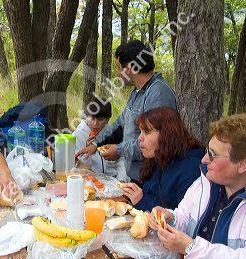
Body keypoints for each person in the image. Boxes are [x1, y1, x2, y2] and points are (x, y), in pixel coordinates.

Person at [149, 114, 246, 259]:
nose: (204, 159)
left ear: (242, 165)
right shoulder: (207, 180)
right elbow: (184, 215)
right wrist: (169, 218)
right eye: (207, 150)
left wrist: (191, 248)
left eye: (213, 154)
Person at [76, 40, 177, 181]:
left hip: (152, 177)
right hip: (136, 175)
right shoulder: (137, 92)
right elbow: (120, 124)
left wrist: (119, 150)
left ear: (129, 68)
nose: (117, 73)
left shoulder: (158, 94)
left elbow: (156, 141)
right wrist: (96, 143)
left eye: (118, 67)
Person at [119, 107, 204, 211]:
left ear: (166, 135)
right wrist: (130, 193)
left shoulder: (190, 169)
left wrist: (141, 201)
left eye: (146, 132)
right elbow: (150, 193)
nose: (140, 138)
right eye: (140, 132)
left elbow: (179, 219)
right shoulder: (158, 156)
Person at [73, 97, 127, 180]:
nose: (95, 123)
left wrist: (121, 180)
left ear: (108, 120)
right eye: (92, 118)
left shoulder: (112, 133)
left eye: (100, 119)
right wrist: (89, 155)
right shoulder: (78, 136)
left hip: (112, 180)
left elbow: (121, 159)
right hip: (89, 180)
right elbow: (77, 167)